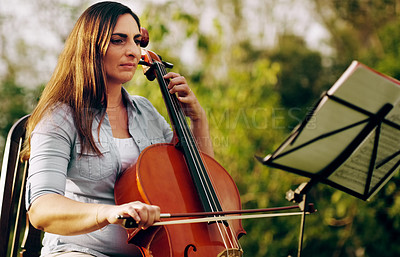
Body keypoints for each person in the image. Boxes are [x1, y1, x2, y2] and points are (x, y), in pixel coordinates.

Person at [22, 1, 214, 256]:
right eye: (118, 40)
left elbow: (198, 183)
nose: (133, 51)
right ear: (90, 49)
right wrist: (108, 213)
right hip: (79, 251)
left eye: (136, 40)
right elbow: (42, 209)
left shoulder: (145, 112)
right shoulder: (59, 117)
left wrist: (198, 119)